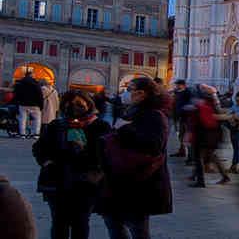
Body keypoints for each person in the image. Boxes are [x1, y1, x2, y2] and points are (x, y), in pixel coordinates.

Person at [98, 77, 173, 239]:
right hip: (120, 178)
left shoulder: (155, 115)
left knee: (137, 228)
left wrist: (125, 129)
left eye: (129, 89)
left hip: (139, 181)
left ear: (141, 94)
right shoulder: (133, 111)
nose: (126, 93)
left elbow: (154, 145)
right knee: (113, 222)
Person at [34, 90, 111, 239]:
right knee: (58, 222)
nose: (74, 108)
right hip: (56, 181)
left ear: (88, 105)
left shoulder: (100, 126)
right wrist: (46, 162)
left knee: (80, 222)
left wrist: (83, 151)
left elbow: (103, 154)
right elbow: (39, 148)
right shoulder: (56, 125)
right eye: (69, 104)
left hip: (87, 182)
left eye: (79, 104)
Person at [189, 87, 229, 187]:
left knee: (199, 158)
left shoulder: (202, 106)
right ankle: (224, 176)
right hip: (212, 136)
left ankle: (200, 181)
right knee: (211, 157)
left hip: (204, 137)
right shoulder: (212, 105)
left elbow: (203, 121)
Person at [13, 70, 44, 138]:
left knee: (22, 119)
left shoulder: (20, 83)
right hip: (34, 104)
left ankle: (22, 134)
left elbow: (16, 94)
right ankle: (35, 134)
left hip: (23, 104)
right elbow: (39, 95)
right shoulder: (35, 83)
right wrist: (41, 105)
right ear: (31, 75)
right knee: (37, 119)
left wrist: (17, 103)